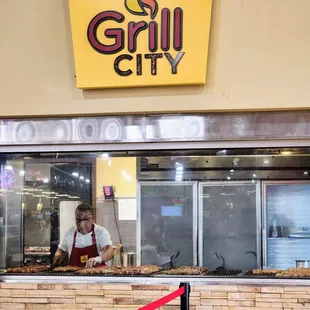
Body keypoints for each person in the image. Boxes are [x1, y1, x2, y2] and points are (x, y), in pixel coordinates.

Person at [53, 203, 114, 268]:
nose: (81, 225)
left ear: (92, 219)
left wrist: (99, 259)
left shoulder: (101, 232)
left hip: (97, 276)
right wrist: (58, 256)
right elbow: (61, 250)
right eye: (78, 220)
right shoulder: (69, 233)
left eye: (86, 220)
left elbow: (109, 251)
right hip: (74, 276)